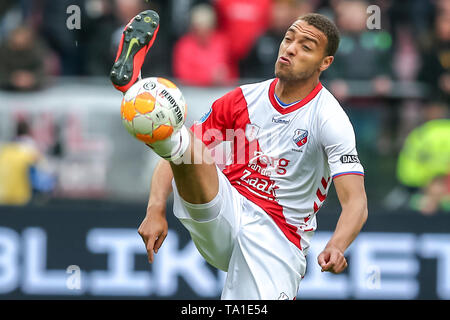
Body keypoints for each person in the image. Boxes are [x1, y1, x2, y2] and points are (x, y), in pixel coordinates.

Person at [111, 11, 368, 299]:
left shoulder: (330, 119)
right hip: (226, 209)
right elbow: (181, 158)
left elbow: (356, 201)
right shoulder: (243, 98)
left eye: (306, 47)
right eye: (288, 39)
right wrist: (155, 209)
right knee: (188, 146)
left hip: (278, 237)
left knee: (183, 142)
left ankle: (141, 97)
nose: (291, 48)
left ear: (326, 62)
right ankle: (140, 95)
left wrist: (337, 245)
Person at [172, 3, 237, 86]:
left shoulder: (223, 42)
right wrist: (208, 77)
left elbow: (232, 70)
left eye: (207, 25)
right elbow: (182, 74)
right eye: (199, 26)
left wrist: (225, 76)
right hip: (193, 92)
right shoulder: (184, 45)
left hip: (221, 90)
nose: (203, 30)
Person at [0, 119, 41, 205]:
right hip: (21, 197)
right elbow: (40, 172)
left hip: (3, 195)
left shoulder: (5, 149)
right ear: (29, 131)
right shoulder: (30, 148)